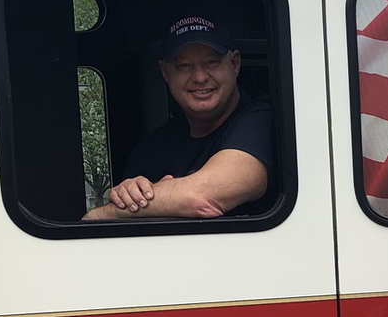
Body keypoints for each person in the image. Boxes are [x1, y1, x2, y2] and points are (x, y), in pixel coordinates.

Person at [83, 16, 272, 220]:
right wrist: (131, 195)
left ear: (235, 64)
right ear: (165, 72)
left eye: (211, 62)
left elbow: (201, 200)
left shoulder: (263, 123)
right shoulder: (151, 150)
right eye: (184, 66)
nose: (200, 77)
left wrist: (104, 214)